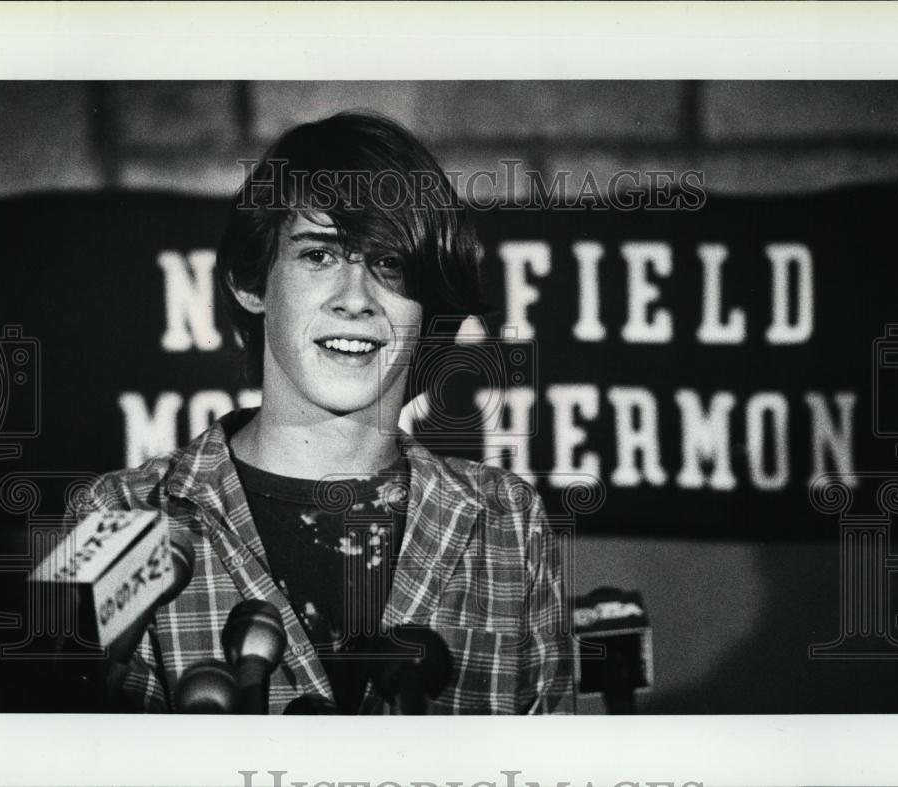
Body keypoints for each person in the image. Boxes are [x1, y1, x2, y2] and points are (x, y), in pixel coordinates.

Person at [67, 112, 574, 714]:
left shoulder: (509, 520)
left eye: (389, 264)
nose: (356, 300)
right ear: (251, 283)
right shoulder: (114, 513)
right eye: (319, 256)